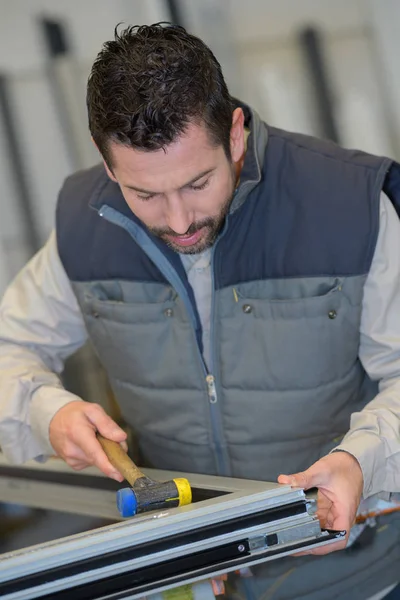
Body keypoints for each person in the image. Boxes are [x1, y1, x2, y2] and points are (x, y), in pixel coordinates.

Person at [0, 22, 400, 600]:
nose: (180, 221)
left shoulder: (353, 207)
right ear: (106, 161)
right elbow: (9, 348)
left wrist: (362, 461)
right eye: (145, 195)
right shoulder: (84, 227)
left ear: (235, 134)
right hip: (190, 578)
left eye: (197, 182)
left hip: (360, 575)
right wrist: (46, 410)